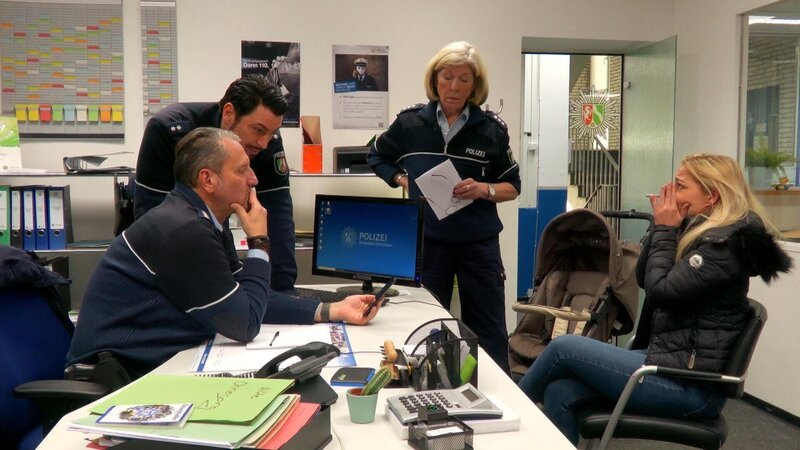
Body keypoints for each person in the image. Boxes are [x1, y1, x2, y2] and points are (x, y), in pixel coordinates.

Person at [517, 153, 792, 445]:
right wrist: (660, 228)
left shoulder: (723, 248)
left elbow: (661, 292)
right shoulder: (700, 232)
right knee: (560, 391)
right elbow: (643, 277)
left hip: (690, 387)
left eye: (680, 186)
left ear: (712, 196)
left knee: (563, 348)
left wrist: (666, 229)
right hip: (668, 364)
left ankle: (505, 416)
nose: (671, 192)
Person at [68, 128, 382, 380]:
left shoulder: (201, 219)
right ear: (208, 179)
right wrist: (258, 241)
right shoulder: (183, 229)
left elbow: (245, 299)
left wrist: (332, 309)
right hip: (114, 376)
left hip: (148, 362)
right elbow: (244, 323)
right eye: (243, 170)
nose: (254, 179)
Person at [367, 41, 520, 373]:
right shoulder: (409, 124)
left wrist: (484, 190)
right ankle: (424, 386)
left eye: (464, 79)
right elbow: (375, 155)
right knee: (423, 327)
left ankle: (499, 392)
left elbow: (513, 187)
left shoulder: (492, 130)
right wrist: (402, 180)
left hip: (478, 248)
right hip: (428, 244)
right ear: (435, 79)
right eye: (447, 77)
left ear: (475, 85)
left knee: (489, 331)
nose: (454, 87)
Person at [134, 74, 298, 292]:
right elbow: (152, 223)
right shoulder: (169, 130)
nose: (264, 143)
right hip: (161, 268)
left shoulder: (266, 143)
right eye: (258, 130)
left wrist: (284, 292)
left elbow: (278, 219)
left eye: (272, 133)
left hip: (216, 251)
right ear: (229, 113)